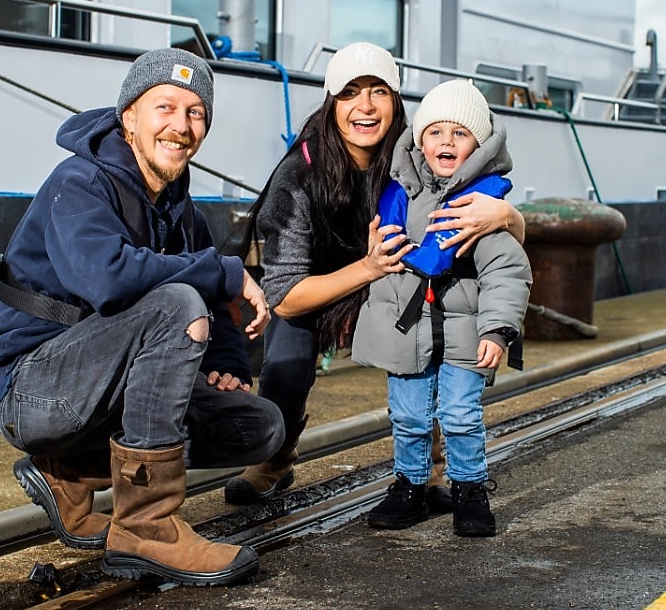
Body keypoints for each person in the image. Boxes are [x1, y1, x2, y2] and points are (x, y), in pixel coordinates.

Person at [0, 47, 284, 587]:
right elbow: (108, 280)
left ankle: (69, 473)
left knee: (258, 427)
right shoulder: (81, 182)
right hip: (28, 391)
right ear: (129, 118)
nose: (181, 126)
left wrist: (230, 363)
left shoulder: (183, 210)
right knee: (178, 302)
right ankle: (146, 527)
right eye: (165, 107)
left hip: (97, 388)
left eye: (196, 113)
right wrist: (224, 273)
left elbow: (217, 312)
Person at [223, 42, 525, 511]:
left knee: (442, 319)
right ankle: (277, 456)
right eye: (350, 94)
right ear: (331, 103)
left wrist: (506, 215)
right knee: (288, 349)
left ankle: (437, 457)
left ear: (397, 101)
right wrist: (366, 268)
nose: (365, 107)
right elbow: (283, 296)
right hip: (325, 284)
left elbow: (502, 239)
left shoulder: (425, 146)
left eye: (378, 91)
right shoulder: (297, 176)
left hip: (401, 281)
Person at [351, 79, 531, 537]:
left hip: (465, 330)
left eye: (460, 133)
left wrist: (497, 331)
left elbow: (507, 272)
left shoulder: (480, 206)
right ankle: (410, 486)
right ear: (418, 139)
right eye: (435, 132)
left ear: (479, 145)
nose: (446, 142)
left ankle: (470, 488)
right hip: (407, 329)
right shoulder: (400, 195)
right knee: (407, 415)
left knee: (460, 415)